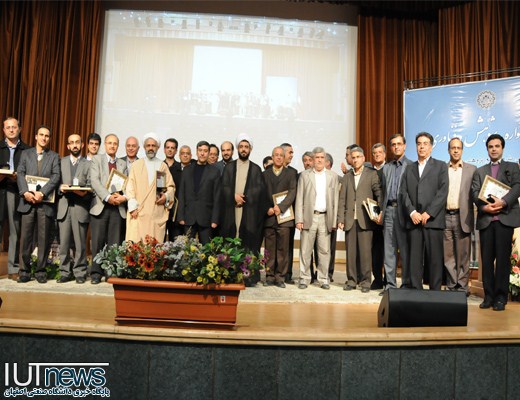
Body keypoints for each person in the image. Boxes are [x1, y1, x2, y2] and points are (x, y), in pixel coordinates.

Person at [472, 134, 520, 311]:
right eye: (490, 146)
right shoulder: (480, 171)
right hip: (486, 220)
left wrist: (504, 202)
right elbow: (475, 192)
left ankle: (500, 297)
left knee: (502, 261)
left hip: (504, 220)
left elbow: (518, 186)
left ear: (502, 148)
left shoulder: (512, 167)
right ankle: (488, 297)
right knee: (486, 261)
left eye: (497, 146)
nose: (494, 149)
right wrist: (484, 208)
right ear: (487, 149)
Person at [399, 132, 448, 290]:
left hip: (433, 220)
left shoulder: (440, 166)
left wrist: (429, 212)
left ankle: (435, 292)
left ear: (431, 147)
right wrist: (412, 212)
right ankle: (416, 290)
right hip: (414, 220)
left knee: (435, 259)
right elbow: (403, 192)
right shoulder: (409, 168)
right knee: (414, 259)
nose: (422, 147)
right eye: (419, 143)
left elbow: (443, 192)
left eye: (425, 143)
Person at [220, 133, 268, 285]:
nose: (243, 149)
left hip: (249, 212)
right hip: (232, 210)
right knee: (231, 241)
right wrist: (233, 196)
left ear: (250, 149)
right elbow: (223, 187)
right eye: (241, 146)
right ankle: (230, 274)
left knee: (247, 243)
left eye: (246, 147)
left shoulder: (256, 169)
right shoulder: (229, 167)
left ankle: (248, 276)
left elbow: (259, 191)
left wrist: (245, 197)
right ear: (237, 149)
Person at [16, 125, 60, 283]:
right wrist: (25, 192)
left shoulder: (54, 156)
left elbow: (56, 176)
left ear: (49, 139)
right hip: (27, 202)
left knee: (43, 238)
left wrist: (42, 193)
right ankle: (24, 271)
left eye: (47, 136)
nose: (44, 138)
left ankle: (41, 271)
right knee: (26, 239)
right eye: (41, 135)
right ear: (36, 136)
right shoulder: (25, 154)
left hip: (44, 203)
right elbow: (20, 173)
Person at [337, 146, 382, 293]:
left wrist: (379, 212)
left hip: (366, 219)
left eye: (358, 157)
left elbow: (378, 194)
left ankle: (365, 281)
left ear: (363, 158)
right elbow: (342, 199)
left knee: (365, 253)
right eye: (353, 157)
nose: (355, 160)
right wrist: (340, 218)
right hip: (350, 219)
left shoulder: (371, 174)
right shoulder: (347, 177)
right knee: (351, 253)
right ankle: (351, 280)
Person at [295, 147, 339, 290]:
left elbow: (335, 200)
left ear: (325, 159)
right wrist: (299, 219)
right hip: (309, 216)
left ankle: (323, 279)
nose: (319, 160)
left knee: (324, 251)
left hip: (325, 217)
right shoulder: (304, 175)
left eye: (321, 157)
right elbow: (299, 198)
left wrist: (334, 221)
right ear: (313, 159)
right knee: (305, 250)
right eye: (317, 157)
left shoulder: (332, 176)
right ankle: (304, 278)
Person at [89, 134, 128, 284]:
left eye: (115, 143)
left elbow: (126, 183)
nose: (112, 146)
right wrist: (107, 197)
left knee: (114, 243)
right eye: (109, 143)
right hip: (101, 205)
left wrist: (120, 196)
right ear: (105, 144)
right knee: (97, 242)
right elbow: (94, 181)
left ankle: (111, 272)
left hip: (117, 207)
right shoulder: (97, 159)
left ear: (118, 146)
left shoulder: (122, 163)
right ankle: (96, 273)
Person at [442, 138, 476, 296]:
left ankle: (462, 287)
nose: (456, 150)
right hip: (445, 216)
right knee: (448, 255)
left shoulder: (472, 169)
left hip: (463, 217)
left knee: (463, 255)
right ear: (448, 150)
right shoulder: (442, 169)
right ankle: (451, 286)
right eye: (453, 148)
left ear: (462, 150)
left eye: (458, 148)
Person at [56, 134, 92, 284]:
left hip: (80, 207)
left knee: (80, 244)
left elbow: (90, 185)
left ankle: (80, 272)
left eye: (77, 142)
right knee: (63, 243)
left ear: (82, 145)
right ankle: (64, 272)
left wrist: (83, 191)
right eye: (72, 143)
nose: (75, 145)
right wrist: (60, 187)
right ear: (68, 146)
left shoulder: (88, 164)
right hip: (64, 207)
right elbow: (55, 182)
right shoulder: (61, 162)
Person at [381, 133, 412, 291]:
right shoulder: (386, 168)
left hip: (405, 212)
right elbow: (383, 192)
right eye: (393, 144)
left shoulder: (412, 166)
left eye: (399, 144)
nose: (396, 147)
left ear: (404, 146)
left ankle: (406, 284)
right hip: (388, 211)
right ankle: (390, 286)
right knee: (389, 250)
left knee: (405, 251)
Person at [263, 146, 297, 288]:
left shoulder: (291, 174)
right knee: (269, 249)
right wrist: (268, 208)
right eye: (276, 155)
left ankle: (280, 277)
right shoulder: (264, 174)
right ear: (272, 157)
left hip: (284, 217)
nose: (278, 157)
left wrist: (281, 207)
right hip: (269, 216)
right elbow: (261, 193)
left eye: (281, 155)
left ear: (284, 158)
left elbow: (292, 192)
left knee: (283, 249)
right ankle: (269, 276)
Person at [0, 117, 30, 280]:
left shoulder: (27, 150)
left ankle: (13, 269)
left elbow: (31, 174)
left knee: (14, 231)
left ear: (19, 129)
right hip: (0, 189)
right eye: (8, 127)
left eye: (14, 127)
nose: (11, 130)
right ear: (3, 130)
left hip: (16, 192)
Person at [177, 140, 220, 244]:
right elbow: (181, 194)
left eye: (205, 151)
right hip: (189, 217)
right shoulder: (187, 170)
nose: (202, 153)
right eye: (200, 150)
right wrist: (180, 216)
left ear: (208, 153)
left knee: (207, 250)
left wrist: (215, 219)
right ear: (196, 152)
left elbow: (217, 197)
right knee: (187, 249)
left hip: (206, 218)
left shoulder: (214, 172)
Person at [370, 143, 386, 289]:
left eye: (380, 152)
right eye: (375, 153)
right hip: (371, 216)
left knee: (387, 249)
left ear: (384, 154)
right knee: (375, 250)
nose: (377, 155)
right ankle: (377, 279)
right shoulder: (368, 171)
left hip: (387, 214)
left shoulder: (390, 169)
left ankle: (388, 279)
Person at [163, 138, 183, 241]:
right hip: (161, 208)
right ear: (164, 149)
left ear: (176, 150)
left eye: (172, 148)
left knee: (175, 242)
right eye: (168, 147)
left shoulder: (181, 168)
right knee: (159, 241)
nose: (170, 150)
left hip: (176, 210)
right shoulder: (159, 166)